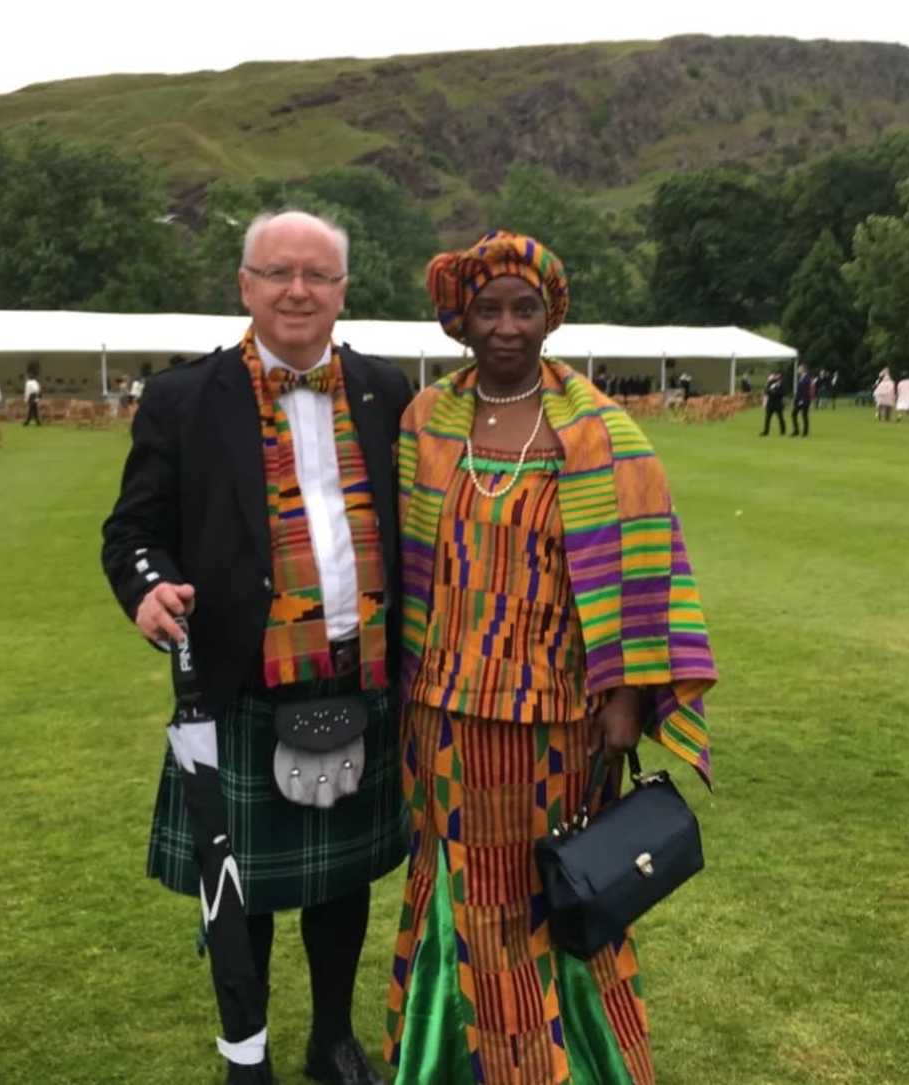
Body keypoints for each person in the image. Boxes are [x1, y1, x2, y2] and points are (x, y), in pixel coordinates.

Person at [383, 231, 717, 1085]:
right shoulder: (425, 423)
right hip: (444, 711)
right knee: (465, 894)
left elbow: (647, 570)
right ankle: (458, 1064)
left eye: (522, 308)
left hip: (558, 719)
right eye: (487, 308)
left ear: (549, 316)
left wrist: (629, 697)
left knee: (554, 892)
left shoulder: (605, 435)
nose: (505, 326)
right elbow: (401, 567)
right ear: (460, 320)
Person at [102, 210, 409, 1085]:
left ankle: (332, 1039)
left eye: (318, 274)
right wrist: (146, 584)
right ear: (245, 285)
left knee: (342, 884)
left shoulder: (388, 391)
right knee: (244, 887)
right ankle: (249, 1051)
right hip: (243, 683)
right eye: (278, 272)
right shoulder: (184, 398)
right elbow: (133, 529)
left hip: (362, 675)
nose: (299, 290)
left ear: (344, 291)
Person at [760, 368, 786, 435]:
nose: (776, 376)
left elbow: (782, 393)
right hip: (770, 403)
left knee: (780, 418)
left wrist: (774, 392)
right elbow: (766, 390)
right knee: (767, 418)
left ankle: (783, 431)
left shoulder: (782, 383)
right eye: (775, 375)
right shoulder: (771, 382)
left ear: (780, 375)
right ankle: (766, 431)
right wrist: (770, 392)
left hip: (778, 403)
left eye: (777, 375)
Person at [791, 364, 813, 437]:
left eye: (799, 368)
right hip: (798, 400)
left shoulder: (807, 378)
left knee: (804, 416)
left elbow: (805, 390)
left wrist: (802, 400)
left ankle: (805, 432)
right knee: (794, 414)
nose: (798, 370)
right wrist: (796, 400)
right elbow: (799, 390)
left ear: (803, 369)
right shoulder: (801, 377)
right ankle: (796, 430)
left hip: (804, 400)